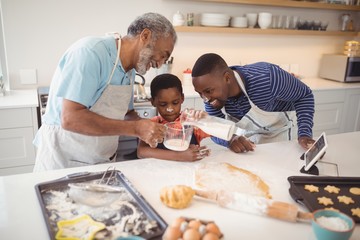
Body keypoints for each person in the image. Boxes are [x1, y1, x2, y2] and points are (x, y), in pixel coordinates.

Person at [33, 13, 177, 171]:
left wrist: (148, 127)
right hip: (64, 160)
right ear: (145, 35)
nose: (161, 64)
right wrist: (136, 129)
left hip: (101, 161)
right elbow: (70, 118)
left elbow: (127, 114)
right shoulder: (90, 52)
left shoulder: (130, 71)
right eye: (163, 55)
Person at [191, 53, 315, 153]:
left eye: (208, 91)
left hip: (281, 135)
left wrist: (304, 133)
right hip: (249, 140)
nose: (205, 99)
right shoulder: (212, 98)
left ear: (227, 78)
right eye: (200, 93)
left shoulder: (268, 77)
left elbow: (305, 96)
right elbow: (215, 128)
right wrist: (231, 140)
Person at [137, 74, 210, 162]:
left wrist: (205, 119)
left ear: (182, 98)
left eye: (175, 102)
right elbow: (141, 152)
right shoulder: (152, 125)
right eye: (163, 104)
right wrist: (180, 156)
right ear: (153, 102)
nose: (170, 109)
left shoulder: (191, 122)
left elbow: (218, 130)